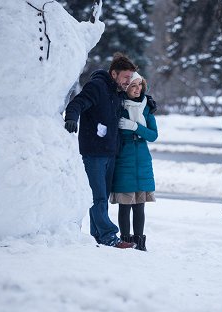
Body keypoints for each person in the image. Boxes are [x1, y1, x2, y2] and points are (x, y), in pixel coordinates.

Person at [64, 53, 137, 249]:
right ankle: (108, 236)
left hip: (109, 151)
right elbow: (77, 103)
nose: (128, 82)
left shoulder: (116, 92)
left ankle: (97, 236)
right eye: (126, 78)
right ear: (114, 74)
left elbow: (135, 100)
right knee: (97, 196)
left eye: (130, 78)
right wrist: (71, 118)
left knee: (101, 196)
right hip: (94, 151)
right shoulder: (97, 86)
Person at [110, 72, 158, 251]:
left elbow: (153, 135)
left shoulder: (147, 107)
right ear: (126, 87)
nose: (138, 89)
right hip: (124, 159)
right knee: (125, 205)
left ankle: (140, 243)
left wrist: (136, 127)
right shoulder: (118, 106)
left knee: (139, 205)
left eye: (140, 85)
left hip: (143, 160)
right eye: (133, 85)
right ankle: (125, 241)